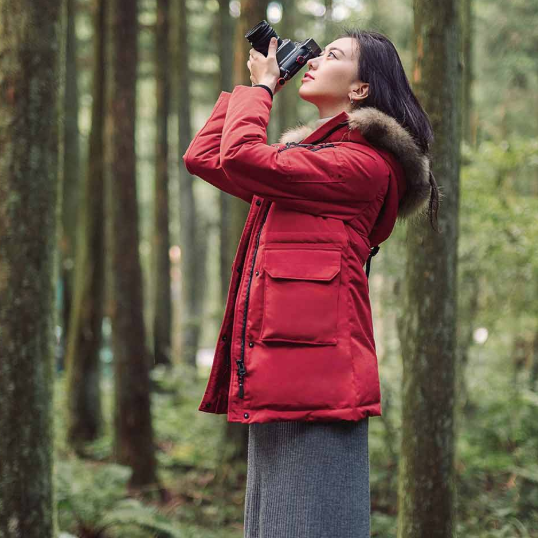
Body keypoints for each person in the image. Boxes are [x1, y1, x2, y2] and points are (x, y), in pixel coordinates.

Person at [183, 27, 438, 538]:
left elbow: (240, 156)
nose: (316, 61)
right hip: (279, 378)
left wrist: (259, 93)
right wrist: (258, 90)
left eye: (335, 56)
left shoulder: (362, 165)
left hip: (320, 392)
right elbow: (205, 156)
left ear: (360, 89)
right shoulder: (313, 161)